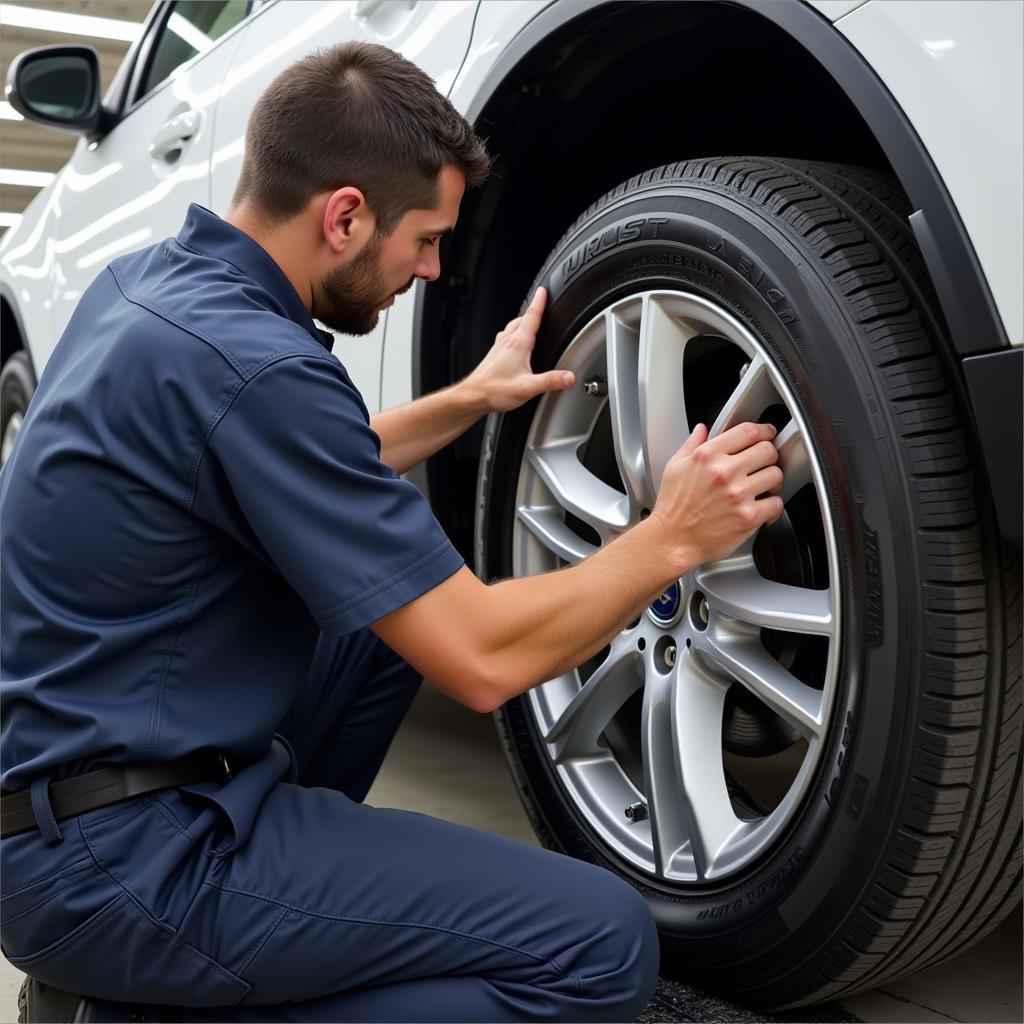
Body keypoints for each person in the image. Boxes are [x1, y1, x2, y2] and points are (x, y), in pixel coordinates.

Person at [0, 41, 783, 1024]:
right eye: (425, 239)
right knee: (599, 943)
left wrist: (469, 398)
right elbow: (483, 657)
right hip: (133, 859)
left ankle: (246, 939)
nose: (434, 268)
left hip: (61, 821)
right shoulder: (263, 365)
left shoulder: (147, 291)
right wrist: (669, 538)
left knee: (376, 610)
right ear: (344, 216)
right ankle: (137, 1006)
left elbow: (303, 455)